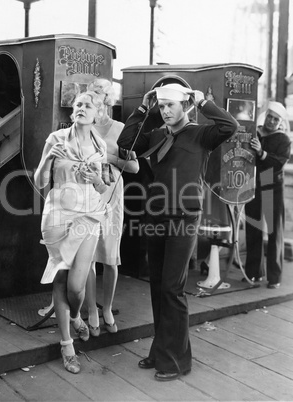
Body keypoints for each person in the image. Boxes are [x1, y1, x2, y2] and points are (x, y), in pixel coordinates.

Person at [117, 82, 238, 381]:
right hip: (156, 216)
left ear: (185, 105)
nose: (166, 110)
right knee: (158, 285)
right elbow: (127, 143)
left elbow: (229, 126)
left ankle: (177, 361)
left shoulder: (201, 134)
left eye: (170, 105)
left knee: (172, 288)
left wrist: (204, 102)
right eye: (162, 105)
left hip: (184, 218)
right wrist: (144, 108)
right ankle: (161, 350)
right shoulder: (157, 135)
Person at [34, 91, 111, 374]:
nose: (81, 108)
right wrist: (46, 161)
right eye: (78, 104)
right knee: (61, 277)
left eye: (88, 105)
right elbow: (40, 180)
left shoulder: (100, 145)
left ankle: (77, 317)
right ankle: (67, 345)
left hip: (89, 215)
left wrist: (96, 181)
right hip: (58, 214)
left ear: (97, 114)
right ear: (72, 112)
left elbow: (103, 188)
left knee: (77, 287)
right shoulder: (55, 140)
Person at [85, 78, 139, 336]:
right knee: (87, 255)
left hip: (112, 196)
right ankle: (92, 311)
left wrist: (109, 157)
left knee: (110, 256)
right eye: (93, 102)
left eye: (101, 102)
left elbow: (135, 167)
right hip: (86, 195)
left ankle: (106, 308)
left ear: (108, 102)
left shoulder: (120, 129)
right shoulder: (81, 128)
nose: (97, 108)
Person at [244, 101, 291, 289]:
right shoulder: (256, 131)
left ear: (280, 122)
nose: (272, 121)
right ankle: (253, 273)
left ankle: (274, 277)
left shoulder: (284, 140)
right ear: (266, 116)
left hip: (272, 187)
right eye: (270, 117)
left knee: (274, 231)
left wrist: (261, 153)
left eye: (276, 119)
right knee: (252, 227)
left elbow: (278, 164)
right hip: (253, 185)